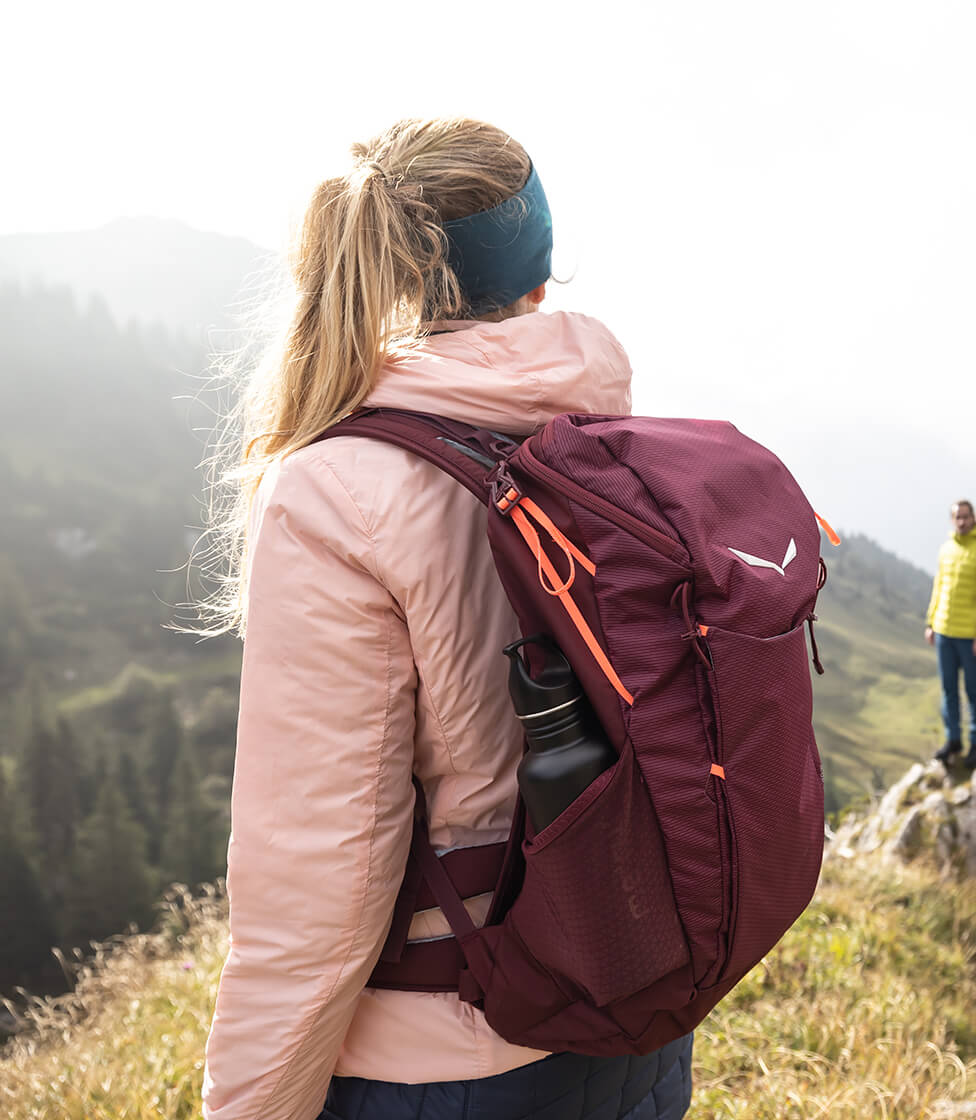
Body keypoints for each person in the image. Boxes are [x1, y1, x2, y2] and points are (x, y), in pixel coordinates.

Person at [193, 118, 692, 1120]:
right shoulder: (607, 437)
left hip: (443, 1061)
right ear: (539, 278)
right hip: (634, 1015)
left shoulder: (338, 491)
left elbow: (322, 878)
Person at [924, 500, 976, 769]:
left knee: (973, 691)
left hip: (971, 636)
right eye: (957, 517)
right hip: (944, 632)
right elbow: (939, 587)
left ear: (974, 518)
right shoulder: (946, 550)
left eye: (966, 517)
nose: (962, 521)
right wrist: (931, 622)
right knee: (948, 690)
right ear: (952, 520)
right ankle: (953, 740)